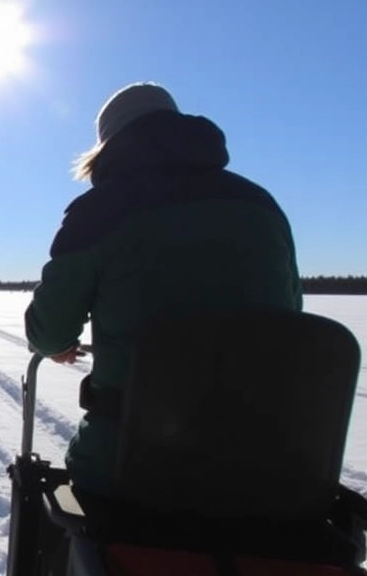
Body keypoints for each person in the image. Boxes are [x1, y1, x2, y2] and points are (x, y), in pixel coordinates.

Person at [23, 82, 303, 507]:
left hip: (131, 463)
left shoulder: (98, 211)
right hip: (264, 463)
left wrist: (59, 345)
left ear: (107, 145)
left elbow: (48, 329)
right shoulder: (261, 204)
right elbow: (290, 317)